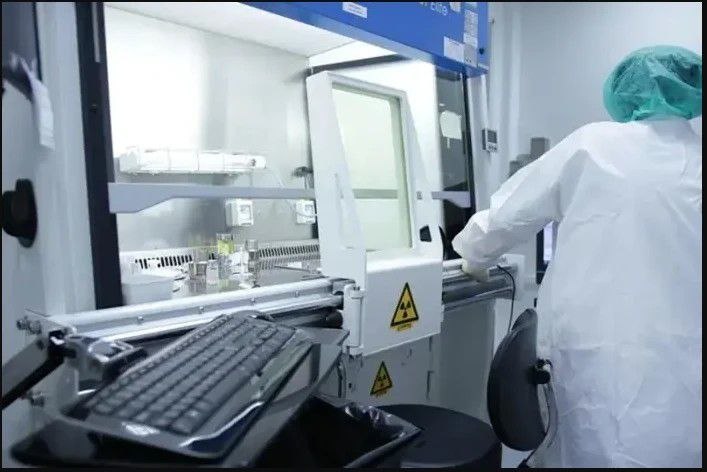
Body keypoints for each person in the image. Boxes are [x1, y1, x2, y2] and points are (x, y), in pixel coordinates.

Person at [452, 46, 702, 467]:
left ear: (625, 91)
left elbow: (511, 214)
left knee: (590, 446)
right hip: (685, 368)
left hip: (595, 352)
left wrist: (472, 254)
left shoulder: (594, 145)